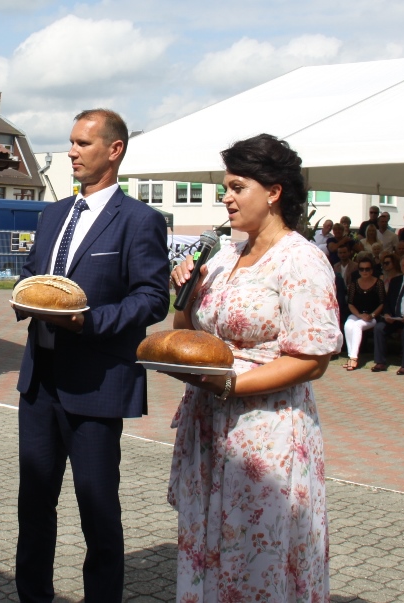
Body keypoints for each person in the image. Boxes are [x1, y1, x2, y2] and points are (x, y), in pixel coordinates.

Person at [168, 134, 341, 602]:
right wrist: (183, 293)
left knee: (256, 559)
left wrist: (232, 386)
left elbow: (312, 360)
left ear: (274, 191)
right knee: (209, 549)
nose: (225, 196)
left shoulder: (301, 260)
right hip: (210, 424)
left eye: (237, 186)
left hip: (267, 433)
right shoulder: (225, 256)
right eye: (225, 186)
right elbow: (192, 334)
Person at [14, 109, 169, 603]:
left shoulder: (139, 221)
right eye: (71, 143)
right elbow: (35, 276)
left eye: (83, 143)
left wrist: (90, 321)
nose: (72, 152)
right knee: (33, 506)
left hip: (96, 385)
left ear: (114, 150)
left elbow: (152, 298)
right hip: (39, 382)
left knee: (97, 509)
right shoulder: (54, 213)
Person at [343, 256, 385, 371]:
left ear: (372, 270)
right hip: (358, 314)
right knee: (348, 325)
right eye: (361, 269)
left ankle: (353, 358)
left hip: (373, 316)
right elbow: (350, 303)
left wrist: (371, 315)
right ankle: (350, 356)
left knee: (357, 326)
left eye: (367, 269)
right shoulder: (354, 284)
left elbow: (382, 303)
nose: (364, 271)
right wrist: (359, 315)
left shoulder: (378, 283)